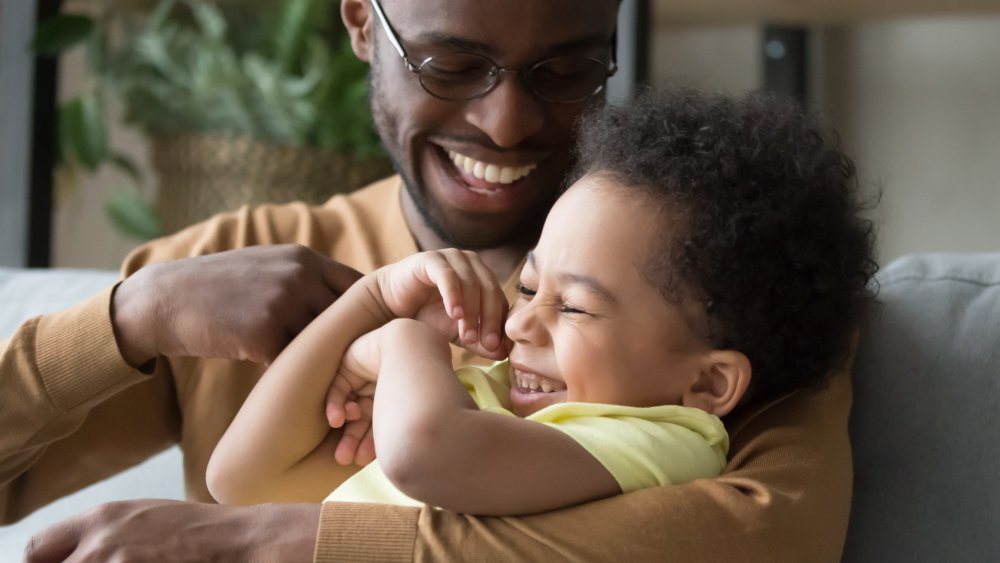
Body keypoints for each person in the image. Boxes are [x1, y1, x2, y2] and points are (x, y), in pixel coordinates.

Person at [0, 0, 871, 560]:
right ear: (359, 23)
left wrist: (277, 543)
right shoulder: (240, 261)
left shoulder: (738, 286)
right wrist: (131, 317)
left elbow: (765, 532)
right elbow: (239, 477)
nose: (507, 121)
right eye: (450, 65)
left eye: (566, 69)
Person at [206, 89, 876, 519]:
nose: (522, 320)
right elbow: (240, 476)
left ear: (706, 381)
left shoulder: (665, 445)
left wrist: (407, 342)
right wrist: (371, 299)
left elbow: (424, 453)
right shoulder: (490, 395)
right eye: (528, 286)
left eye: (575, 307)